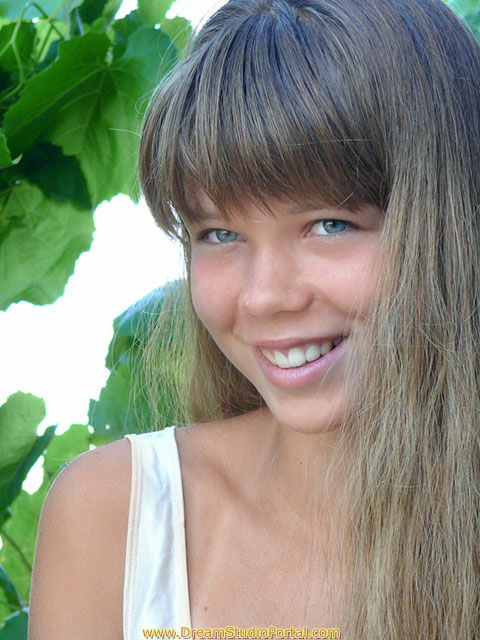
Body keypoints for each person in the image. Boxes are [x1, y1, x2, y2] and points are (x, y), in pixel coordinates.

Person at [28, 0, 480, 638]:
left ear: (454, 221)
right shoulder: (118, 518)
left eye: (330, 224)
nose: (264, 296)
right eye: (219, 233)